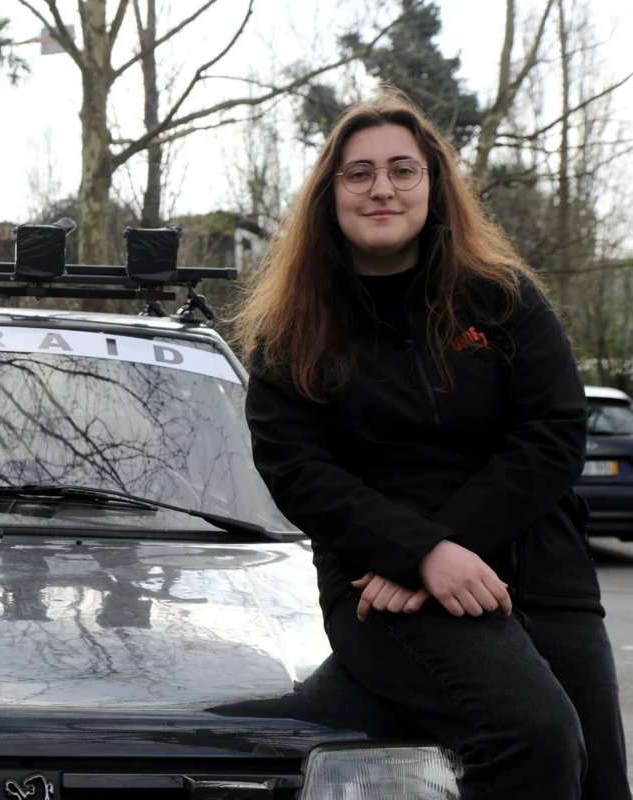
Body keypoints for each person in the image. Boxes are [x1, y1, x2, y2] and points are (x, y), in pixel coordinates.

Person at [236, 90, 630, 800]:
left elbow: (553, 433)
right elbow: (299, 473)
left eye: (402, 169)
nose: (381, 188)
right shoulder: (291, 331)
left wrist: (440, 549)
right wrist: (415, 554)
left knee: (600, 780)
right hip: (382, 593)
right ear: (329, 194)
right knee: (534, 737)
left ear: (433, 184)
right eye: (359, 173)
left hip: (541, 572)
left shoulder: (502, 297)